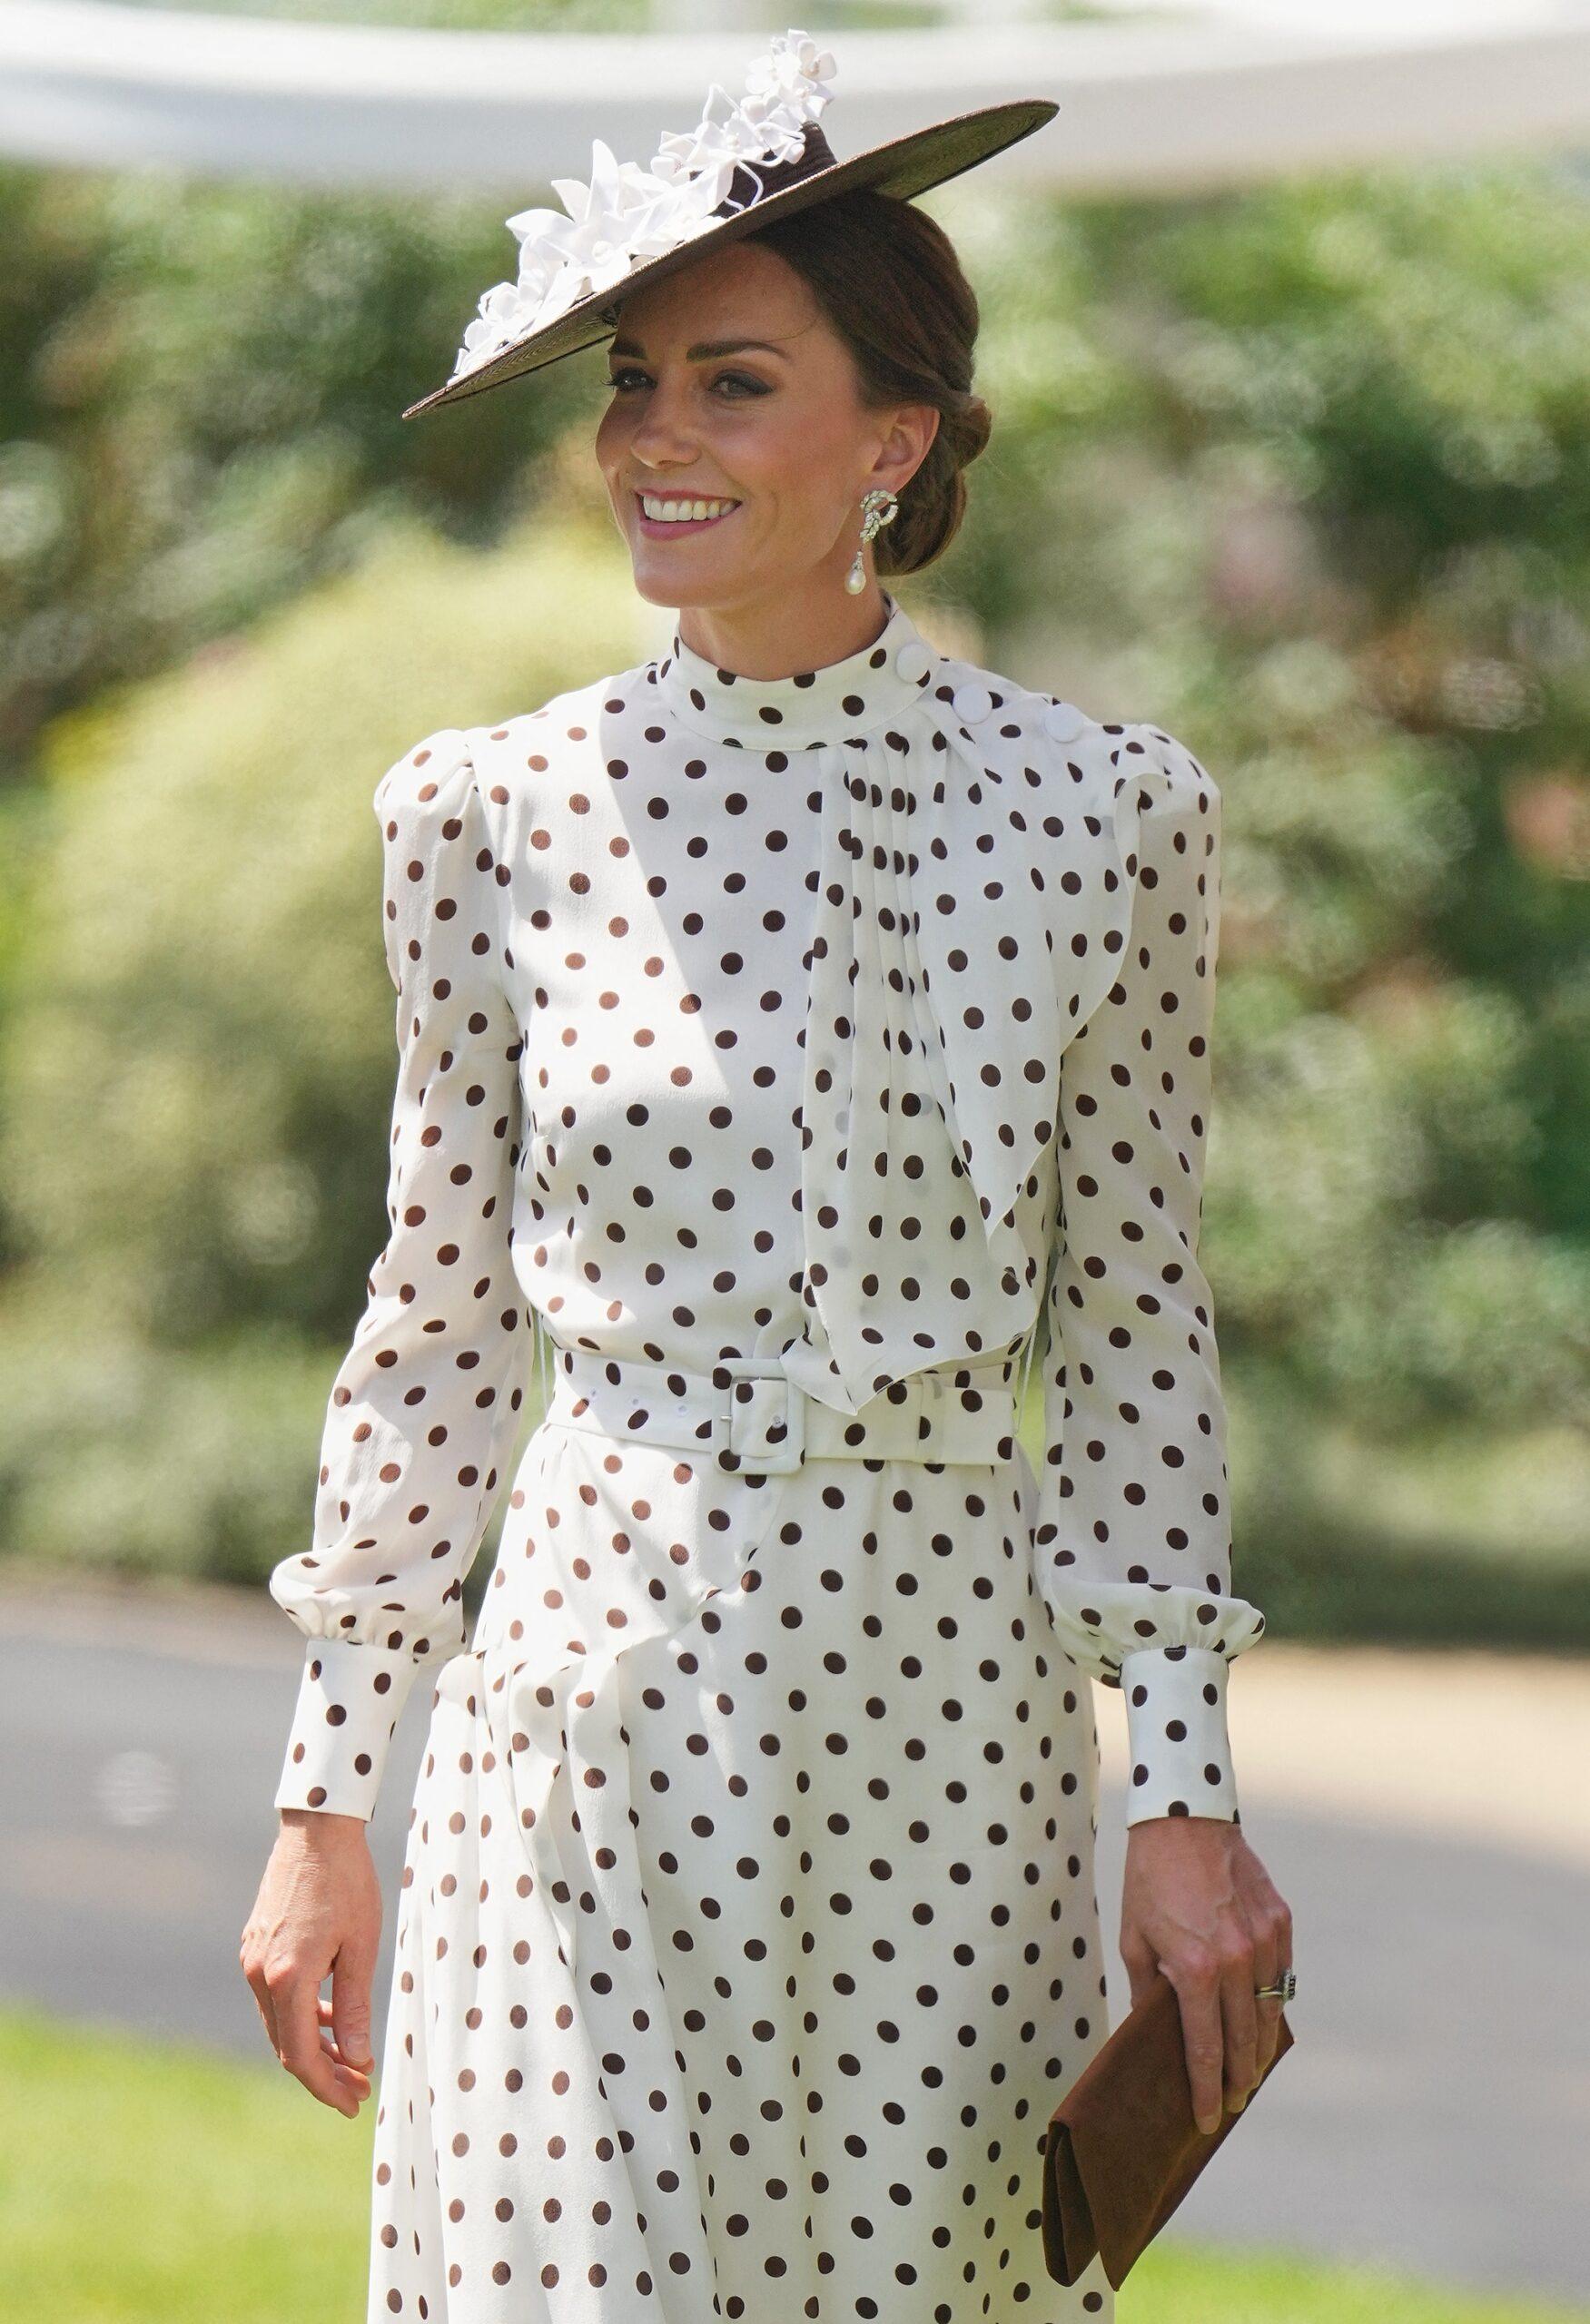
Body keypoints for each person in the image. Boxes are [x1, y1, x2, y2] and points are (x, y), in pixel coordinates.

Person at [240, 30, 1294, 2320]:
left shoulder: (1112, 813)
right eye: (636, 381)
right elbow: (434, 1329)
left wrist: (1187, 1792)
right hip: (589, 1702)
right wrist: (327, 1795)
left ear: (891, 442)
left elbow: (1136, 1336)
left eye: (733, 383)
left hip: (953, 1728)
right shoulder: (486, 813)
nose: (655, 438)